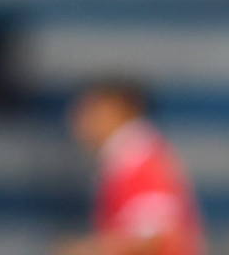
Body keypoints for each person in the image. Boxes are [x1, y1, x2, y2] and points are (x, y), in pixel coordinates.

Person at [54, 79, 204, 255]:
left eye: (88, 110)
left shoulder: (138, 162)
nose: (76, 120)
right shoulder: (132, 158)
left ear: (116, 109)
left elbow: (154, 235)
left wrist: (89, 249)